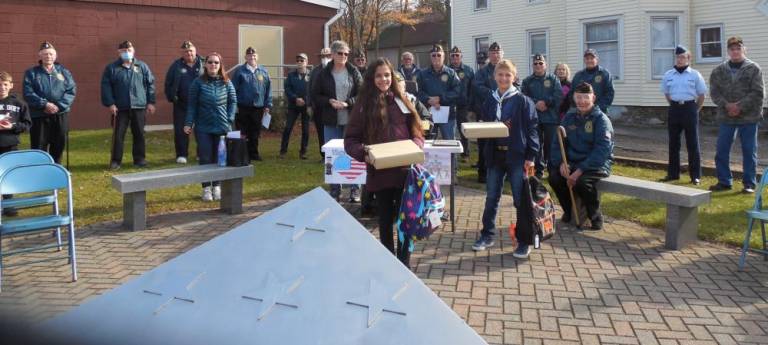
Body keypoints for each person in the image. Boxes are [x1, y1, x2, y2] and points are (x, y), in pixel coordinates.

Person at [344, 58, 425, 268]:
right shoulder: (363, 106)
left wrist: (415, 146)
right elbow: (350, 140)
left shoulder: (402, 100)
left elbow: (417, 132)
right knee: (386, 221)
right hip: (380, 174)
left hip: (404, 172)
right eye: (379, 75)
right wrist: (365, 154)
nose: (384, 79)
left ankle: (404, 263)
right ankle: (391, 265)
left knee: (405, 221)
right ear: (372, 78)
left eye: (387, 75)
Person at [471, 60, 539, 257]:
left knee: (520, 199)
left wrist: (531, 156)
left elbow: (533, 130)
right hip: (495, 156)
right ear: (494, 77)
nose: (503, 78)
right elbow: (484, 127)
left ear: (514, 77)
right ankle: (487, 235)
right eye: (500, 75)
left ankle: (523, 239)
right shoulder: (490, 100)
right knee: (492, 197)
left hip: (517, 156)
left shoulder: (523, 101)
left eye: (508, 75)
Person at [549, 82, 614, 231]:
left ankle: (595, 216)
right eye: (578, 97)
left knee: (582, 182)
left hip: (595, 163)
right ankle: (569, 211)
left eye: (586, 97)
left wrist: (580, 170)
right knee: (555, 178)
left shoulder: (601, 120)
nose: (582, 101)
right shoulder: (569, 117)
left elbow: (602, 151)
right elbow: (558, 142)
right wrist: (561, 163)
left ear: (593, 97)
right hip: (572, 161)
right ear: (573, 97)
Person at [709, 36, 765, 193]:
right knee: (721, 150)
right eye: (732, 49)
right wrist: (727, 105)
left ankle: (749, 184)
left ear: (744, 50)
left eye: (738, 48)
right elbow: (714, 92)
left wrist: (739, 107)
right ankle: (724, 181)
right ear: (728, 51)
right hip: (726, 116)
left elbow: (758, 92)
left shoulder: (754, 68)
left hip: (748, 117)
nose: (735, 52)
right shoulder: (719, 70)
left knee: (749, 150)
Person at [311, 40, 363, 202]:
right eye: (340, 53)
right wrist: (329, 102)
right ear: (332, 54)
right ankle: (335, 189)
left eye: (346, 54)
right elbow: (315, 95)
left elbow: (362, 94)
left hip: (351, 121)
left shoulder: (354, 72)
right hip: (331, 120)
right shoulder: (323, 73)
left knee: (354, 154)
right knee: (332, 156)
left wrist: (348, 103)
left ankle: (355, 190)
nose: (343, 56)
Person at [183, 53, 237, 202]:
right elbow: (192, 106)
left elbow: (233, 102)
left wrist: (230, 118)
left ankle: (217, 186)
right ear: (205, 64)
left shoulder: (227, 82)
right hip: (203, 127)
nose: (213, 65)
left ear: (220, 65)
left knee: (220, 157)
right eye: (210, 62)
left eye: (216, 62)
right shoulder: (198, 83)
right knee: (205, 157)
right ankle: (206, 188)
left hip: (222, 126)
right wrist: (188, 123)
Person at [101, 40, 156, 170]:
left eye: (129, 50)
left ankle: (139, 159)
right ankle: (116, 161)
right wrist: (110, 103)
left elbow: (150, 84)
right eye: (124, 51)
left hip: (139, 106)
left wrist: (151, 102)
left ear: (133, 51)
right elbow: (106, 87)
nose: (127, 53)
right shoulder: (111, 68)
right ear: (119, 53)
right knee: (118, 135)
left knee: (139, 134)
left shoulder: (142, 66)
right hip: (120, 108)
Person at [659, 45, 707, 185]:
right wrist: (675, 105)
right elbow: (667, 94)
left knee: (692, 143)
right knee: (673, 143)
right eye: (678, 57)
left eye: (682, 57)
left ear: (688, 59)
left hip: (690, 108)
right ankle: (673, 174)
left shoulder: (695, 75)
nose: (679, 60)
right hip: (674, 109)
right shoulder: (668, 75)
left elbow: (702, 95)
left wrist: (694, 109)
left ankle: (695, 176)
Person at [22, 41, 76, 164]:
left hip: (60, 114)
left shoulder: (64, 72)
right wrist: (45, 104)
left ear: (55, 56)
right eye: (45, 54)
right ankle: (39, 169)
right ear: (40, 56)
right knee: (39, 144)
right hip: (39, 115)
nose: (48, 56)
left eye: (51, 54)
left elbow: (71, 90)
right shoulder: (31, 73)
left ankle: (56, 169)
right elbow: (28, 93)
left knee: (58, 143)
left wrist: (58, 106)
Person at [521, 54, 562, 179]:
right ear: (532, 65)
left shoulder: (553, 79)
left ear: (545, 64)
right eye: (535, 63)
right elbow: (524, 97)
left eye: (541, 63)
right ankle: (537, 171)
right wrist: (536, 103)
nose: (538, 65)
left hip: (550, 118)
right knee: (535, 145)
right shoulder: (527, 81)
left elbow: (558, 95)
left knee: (551, 145)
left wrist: (546, 103)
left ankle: (552, 169)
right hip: (534, 118)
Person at [164, 40, 204, 164]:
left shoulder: (204, 63)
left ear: (195, 51)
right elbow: (168, 83)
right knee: (181, 130)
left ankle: (201, 153)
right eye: (186, 51)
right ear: (182, 53)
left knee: (202, 130)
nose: (189, 53)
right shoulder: (176, 65)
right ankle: (182, 154)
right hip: (182, 104)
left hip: (201, 104)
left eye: (191, 50)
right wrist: (172, 97)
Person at [231, 46, 272, 161]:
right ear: (245, 57)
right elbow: (233, 89)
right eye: (249, 55)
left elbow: (268, 89)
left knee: (255, 131)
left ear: (257, 57)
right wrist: (234, 105)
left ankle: (254, 153)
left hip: (258, 107)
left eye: (254, 55)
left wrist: (268, 105)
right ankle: (242, 153)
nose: (252, 57)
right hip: (243, 107)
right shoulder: (239, 71)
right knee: (243, 131)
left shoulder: (263, 71)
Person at [0, 71, 32, 217]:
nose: (2, 88)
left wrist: (12, 127)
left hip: (10, 144)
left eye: (5, 84)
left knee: (8, 175)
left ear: (11, 85)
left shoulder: (19, 103)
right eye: (0, 85)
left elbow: (27, 124)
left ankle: (8, 205)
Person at [473, 42, 503, 183]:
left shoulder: (506, 68)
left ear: (501, 54)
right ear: (489, 55)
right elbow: (478, 87)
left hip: (504, 113)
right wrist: (496, 94)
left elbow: (516, 84)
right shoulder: (482, 72)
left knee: (502, 143)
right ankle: (483, 173)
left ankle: (501, 172)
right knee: (484, 144)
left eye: (498, 53)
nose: (495, 55)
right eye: (492, 53)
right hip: (485, 113)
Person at [416, 44, 460, 140]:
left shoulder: (451, 73)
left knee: (450, 142)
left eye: (439, 55)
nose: (436, 57)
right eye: (434, 55)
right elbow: (418, 92)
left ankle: (452, 156)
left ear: (444, 57)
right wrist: (428, 99)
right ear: (430, 57)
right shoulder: (422, 74)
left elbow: (457, 91)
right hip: (427, 114)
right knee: (427, 142)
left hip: (448, 115)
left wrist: (440, 98)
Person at [280, 53, 310, 160]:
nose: (300, 63)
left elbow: (313, 90)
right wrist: (295, 98)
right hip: (293, 105)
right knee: (288, 128)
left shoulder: (311, 76)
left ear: (306, 62)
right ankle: (283, 151)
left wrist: (305, 100)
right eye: (298, 61)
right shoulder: (291, 75)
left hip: (306, 106)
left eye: (302, 60)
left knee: (306, 130)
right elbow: (287, 89)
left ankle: (303, 152)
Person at [449, 46, 475, 159]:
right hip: (449, 104)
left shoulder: (468, 70)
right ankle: (450, 152)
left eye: (457, 55)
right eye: (453, 56)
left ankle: (465, 152)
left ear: (461, 57)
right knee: (449, 129)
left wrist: (470, 105)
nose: (455, 58)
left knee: (464, 129)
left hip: (463, 105)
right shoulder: (446, 70)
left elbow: (473, 89)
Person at [567, 49, 614, 113]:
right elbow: (572, 93)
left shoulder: (605, 74)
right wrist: (578, 106)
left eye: (592, 58)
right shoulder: (578, 75)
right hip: (581, 113)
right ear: (584, 60)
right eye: (587, 58)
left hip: (599, 112)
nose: (589, 60)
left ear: (597, 60)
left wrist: (596, 108)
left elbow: (609, 94)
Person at [307, 47, 332, 157]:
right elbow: (309, 88)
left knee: (332, 132)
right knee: (321, 132)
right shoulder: (315, 71)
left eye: (328, 56)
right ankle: (323, 155)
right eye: (323, 56)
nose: (325, 58)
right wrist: (309, 105)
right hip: (318, 107)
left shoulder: (336, 69)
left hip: (332, 107)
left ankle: (333, 154)